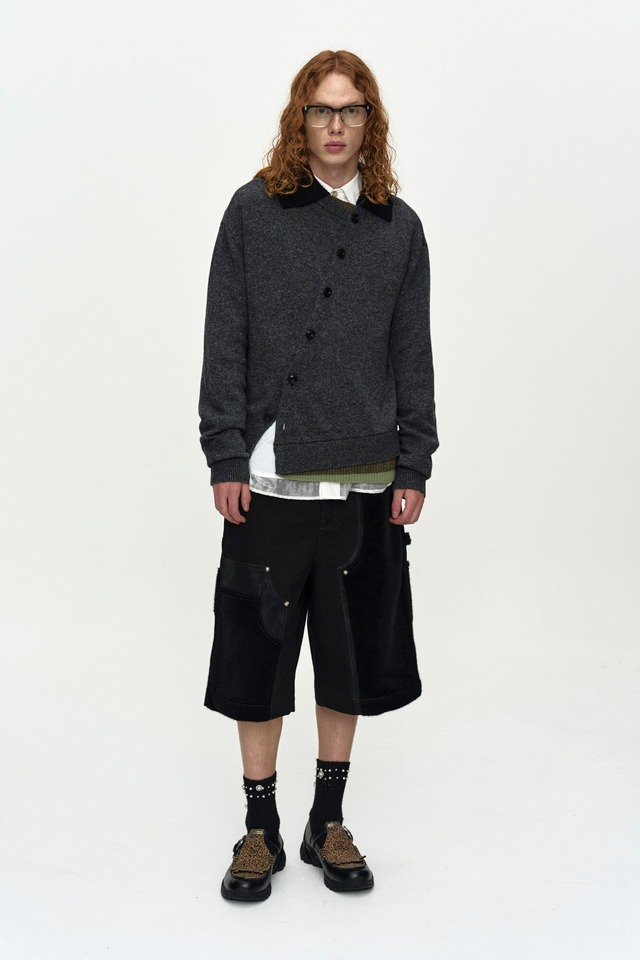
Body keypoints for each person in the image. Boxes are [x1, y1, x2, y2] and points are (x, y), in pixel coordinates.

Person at [198, 49, 438, 902]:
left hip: (366, 481)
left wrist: (416, 460)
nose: (336, 125)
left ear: (371, 123)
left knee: (347, 661)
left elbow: (413, 351)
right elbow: (225, 335)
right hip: (268, 478)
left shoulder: (399, 228)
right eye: (321, 109)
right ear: (299, 120)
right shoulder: (252, 212)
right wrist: (225, 452)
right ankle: (259, 828)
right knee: (256, 658)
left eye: (352, 110)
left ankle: (326, 820)